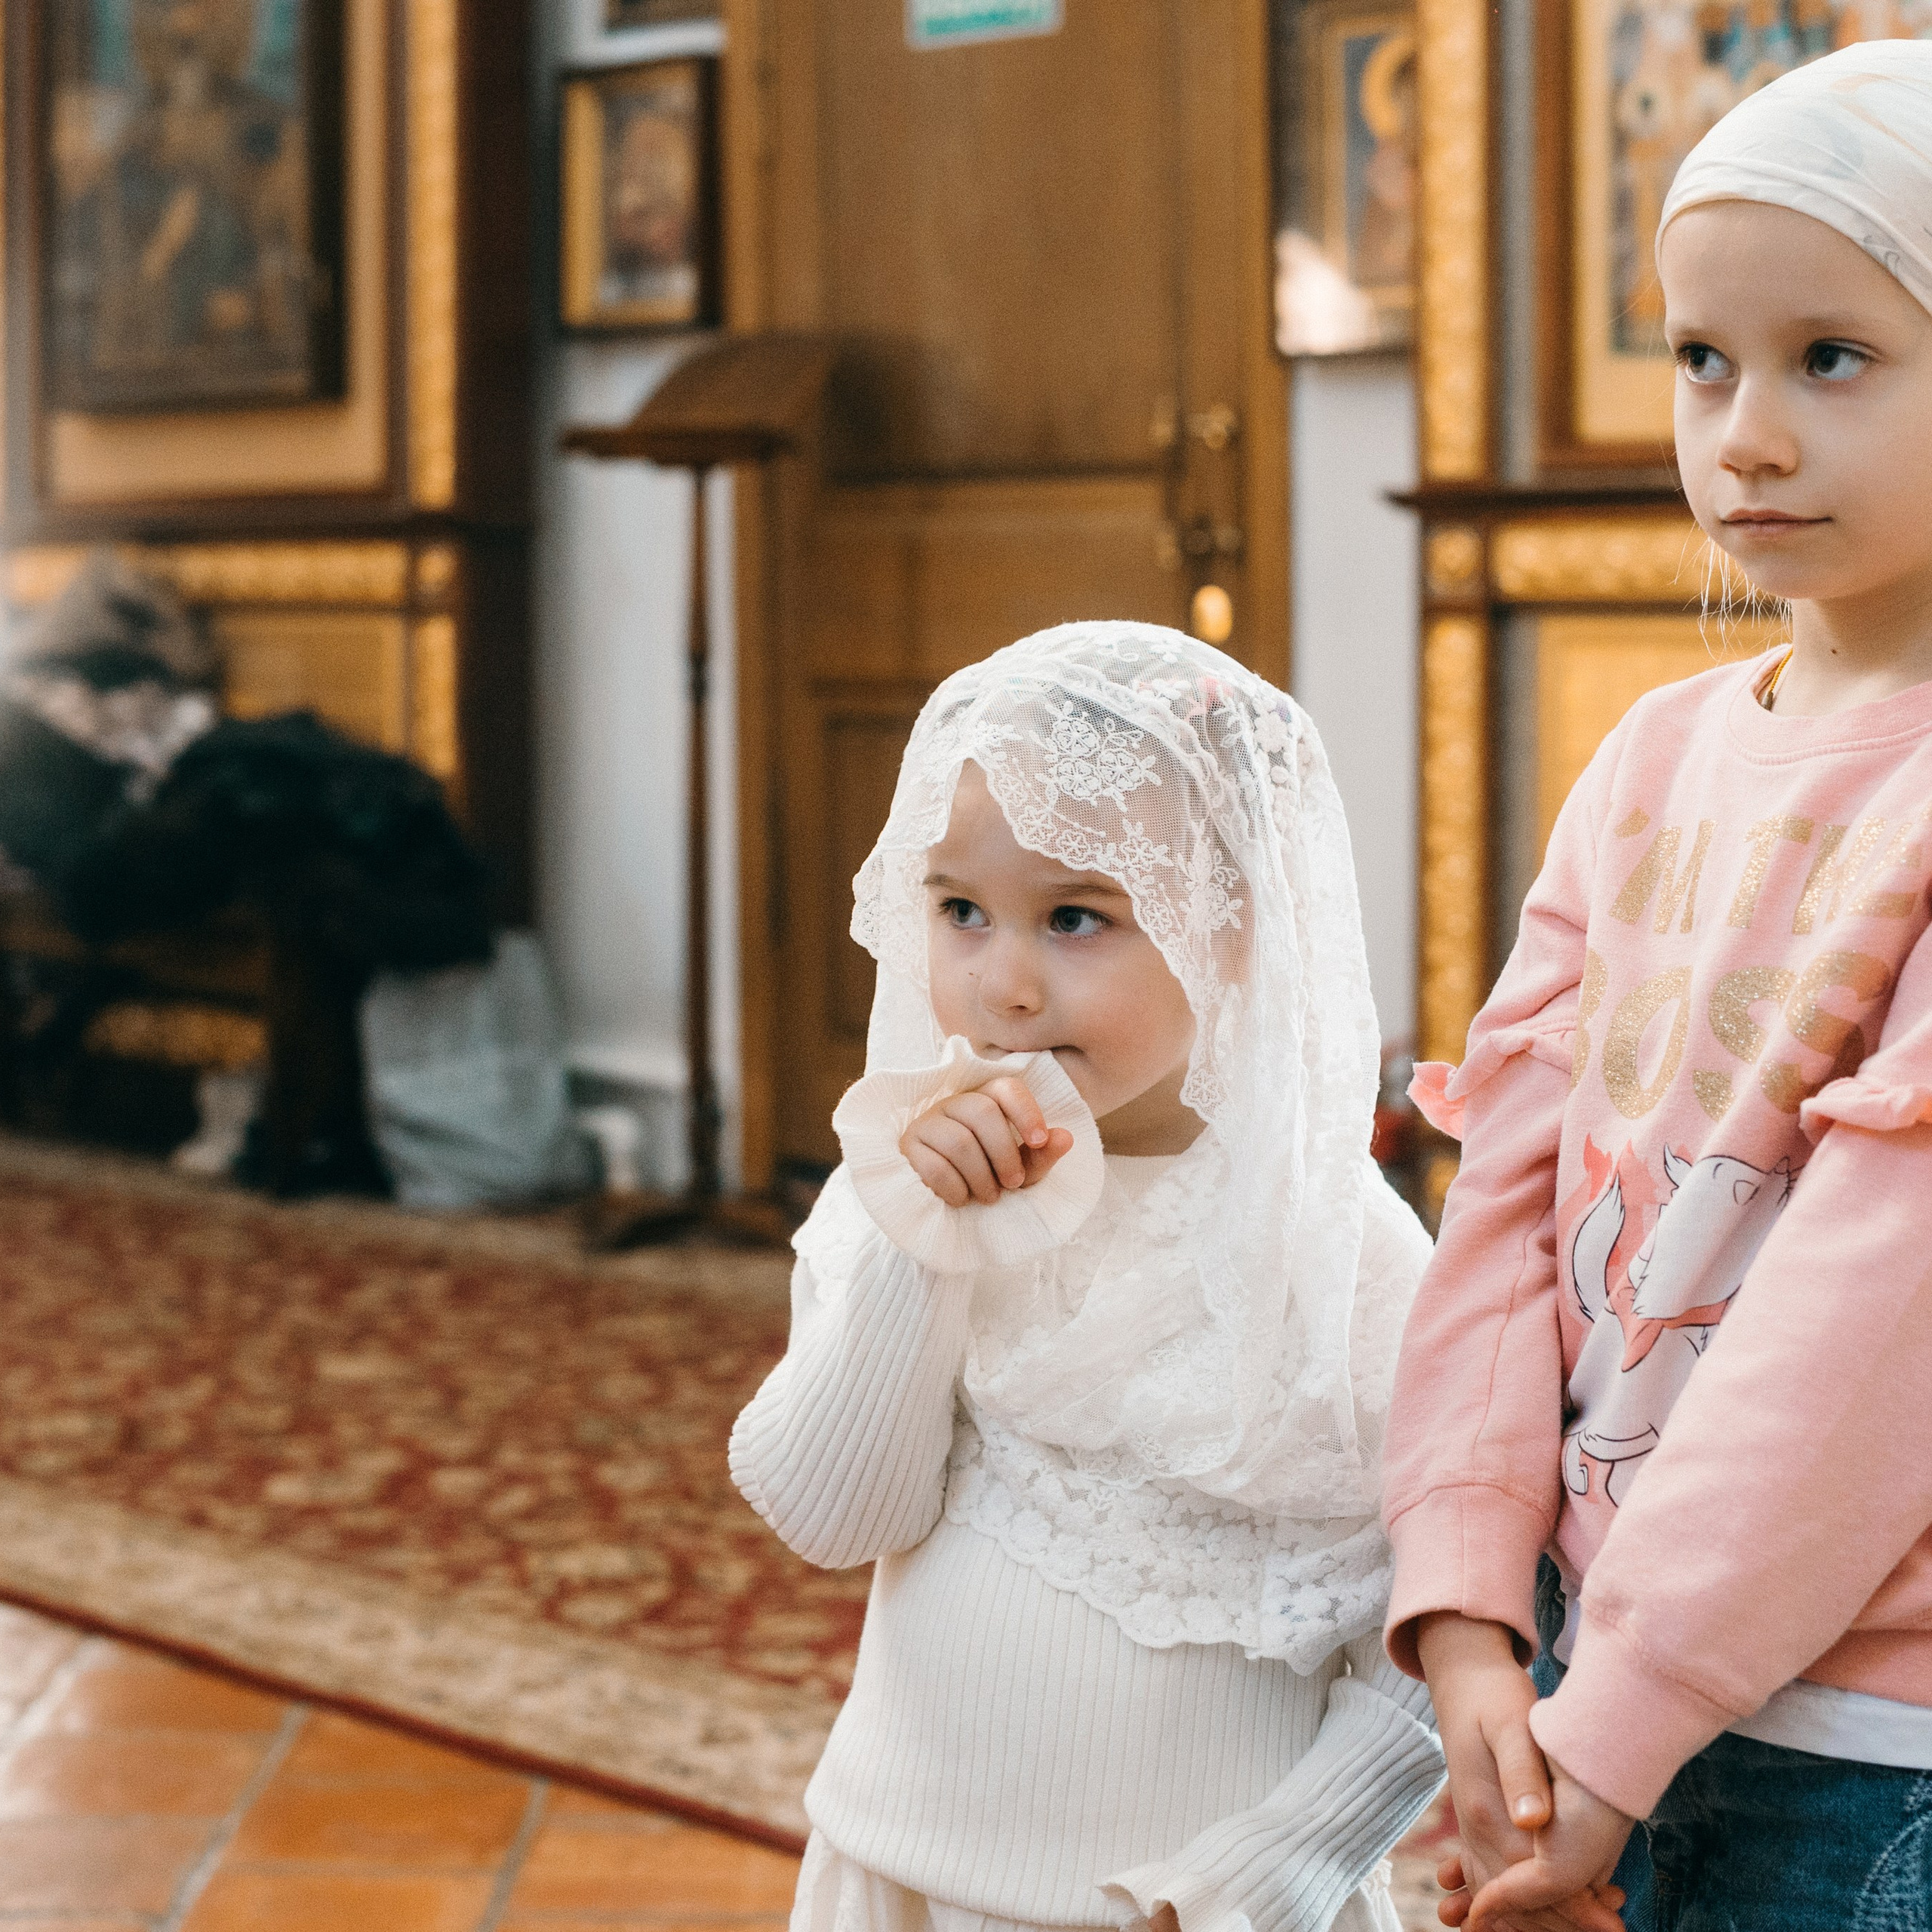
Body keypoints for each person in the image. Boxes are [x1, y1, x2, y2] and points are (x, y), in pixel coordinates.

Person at [1380, 38, 1932, 1932]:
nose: (1743, 433)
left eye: (1829, 358)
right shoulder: (1645, 757)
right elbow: (1506, 1208)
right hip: (1587, 1693)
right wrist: (1465, 1594)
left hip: (1869, 1766)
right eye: (1701, 359)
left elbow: (1874, 1330)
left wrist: (1610, 1724)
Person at [732, 622, 1444, 1932]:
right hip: (906, 1872)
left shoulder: (1334, 1248)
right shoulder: (902, 1185)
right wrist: (923, 1245)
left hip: (1200, 1906)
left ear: (1228, 928)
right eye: (960, 913)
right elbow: (832, 1515)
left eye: (1076, 919)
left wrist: (1287, 1858)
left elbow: (1441, 1611)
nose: (1002, 986)